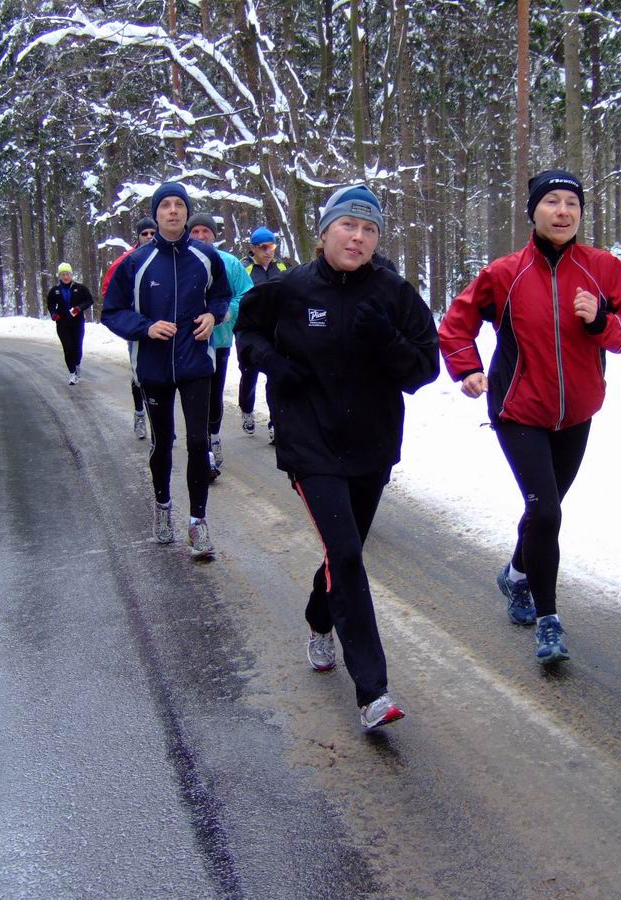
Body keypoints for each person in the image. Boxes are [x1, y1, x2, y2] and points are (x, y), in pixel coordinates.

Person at [235, 184, 439, 731]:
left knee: (342, 553)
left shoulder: (394, 294)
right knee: (346, 554)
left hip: (372, 446)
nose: (358, 237)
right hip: (310, 443)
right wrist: (275, 365)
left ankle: (318, 617)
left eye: (370, 229)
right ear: (324, 232)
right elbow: (247, 331)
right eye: (348, 225)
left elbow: (425, 369)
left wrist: (387, 340)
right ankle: (373, 692)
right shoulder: (289, 289)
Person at [439, 170, 621, 664]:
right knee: (548, 512)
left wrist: (601, 322)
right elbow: (455, 325)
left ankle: (516, 574)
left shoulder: (603, 269)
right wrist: (467, 369)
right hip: (519, 410)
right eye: (552, 201)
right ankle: (548, 621)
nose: (562, 211)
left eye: (571, 203)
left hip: (576, 413)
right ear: (533, 211)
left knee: (543, 509)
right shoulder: (504, 273)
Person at [101, 181, 231, 558]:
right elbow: (112, 311)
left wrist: (213, 315)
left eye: (179, 205)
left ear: (187, 212)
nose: (173, 210)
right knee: (163, 442)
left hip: (195, 363)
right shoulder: (136, 263)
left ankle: (197, 522)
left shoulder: (207, 257)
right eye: (165, 205)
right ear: (156, 214)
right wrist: (145, 327)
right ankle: (162, 507)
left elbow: (222, 296)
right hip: (154, 366)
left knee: (198, 442)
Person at [186, 212, 254, 479]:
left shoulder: (229, 263)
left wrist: (226, 312)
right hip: (188, 342)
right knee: (195, 396)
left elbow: (247, 293)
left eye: (206, 231)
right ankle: (202, 450)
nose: (201, 236)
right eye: (195, 231)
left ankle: (213, 437)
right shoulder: (180, 261)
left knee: (214, 394)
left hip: (221, 340)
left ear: (214, 235)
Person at [103, 217, 159, 439]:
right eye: (145, 233)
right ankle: (139, 413)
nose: (149, 237)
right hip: (137, 327)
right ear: (138, 236)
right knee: (140, 373)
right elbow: (109, 294)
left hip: (163, 326)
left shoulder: (167, 256)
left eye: (152, 233)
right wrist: (128, 317)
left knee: (163, 378)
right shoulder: (126, 261)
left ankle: (161, 425)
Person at [238, 226, 289, 443]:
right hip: (250, 331)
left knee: (274, 375)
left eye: (272, 246)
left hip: (275, 331)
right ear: (253, 248)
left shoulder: (282, 267)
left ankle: (274, 422)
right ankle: (246, 409)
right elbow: (238, 296)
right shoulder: (244, 268)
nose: (268, 251)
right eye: (263, 247)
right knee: (249, 374)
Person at [46, 263, 94, 384]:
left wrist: (79, 308)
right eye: (63, 274)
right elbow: (50, 304)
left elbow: (89, 300)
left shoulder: (80, 288)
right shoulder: (55, 290)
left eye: (67, 274)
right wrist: (53, 313)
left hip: (77, 322)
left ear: (71, 274)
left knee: (77, 348)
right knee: (67, 348)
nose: (65, 277)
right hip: (62, 323)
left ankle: (77, 364)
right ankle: (72, 373)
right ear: (59, 276)